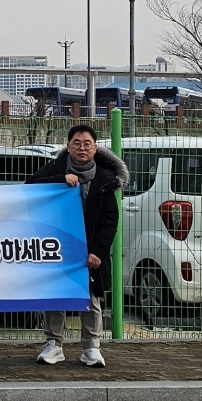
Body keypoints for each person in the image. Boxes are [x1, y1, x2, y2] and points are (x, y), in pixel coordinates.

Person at [26, 123, 126, 368]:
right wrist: (60, 180)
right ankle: (53, 345)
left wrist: (98, 252)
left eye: (87, 144)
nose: (82, 148)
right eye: (76, 143)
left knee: (91, 299)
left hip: (90, 251)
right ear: (68, 146)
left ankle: (91, 348)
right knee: (55, 296)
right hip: (57, 248)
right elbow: (29, 188)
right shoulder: (55, 168)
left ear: (95, 148)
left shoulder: (105, 180)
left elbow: (109, 221)